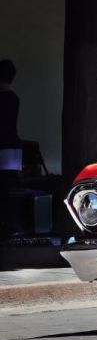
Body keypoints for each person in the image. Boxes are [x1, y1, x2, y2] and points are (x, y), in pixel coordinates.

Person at [0, 59, 22, 237]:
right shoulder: (14, 97)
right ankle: (12, 225)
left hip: (3, 146)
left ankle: (6, 226)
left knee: (3, 189)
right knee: (10, 188)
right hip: (13, 147)